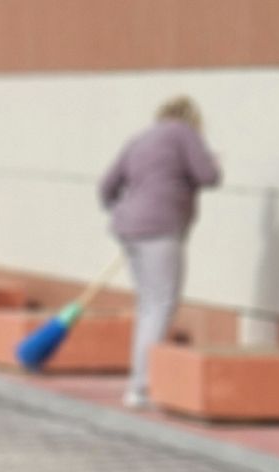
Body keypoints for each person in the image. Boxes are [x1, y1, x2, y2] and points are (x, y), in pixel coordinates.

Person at [98, 95, 221, 409]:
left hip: (128, 228)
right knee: (161, 304)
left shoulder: (140, 139)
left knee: (147, 305)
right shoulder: (183, 133)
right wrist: (214, 161)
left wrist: (127, 213)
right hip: (160, 229)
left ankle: (139, 382)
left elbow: (106, 186)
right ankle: (142, 386)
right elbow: (207, 175)